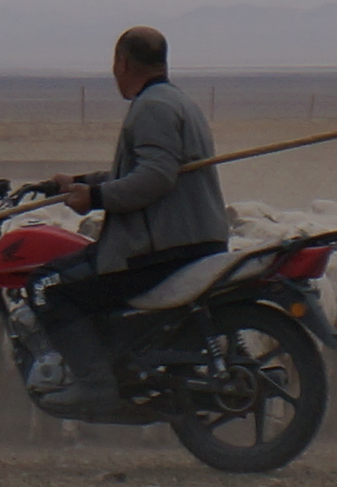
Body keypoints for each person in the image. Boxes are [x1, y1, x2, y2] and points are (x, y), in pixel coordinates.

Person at [25, 26, 230, 415]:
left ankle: (94, 384)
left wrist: (98, 198)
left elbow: (155, 176)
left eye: (115, 64)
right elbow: (143, 171)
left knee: (46, 287)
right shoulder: (180, 103)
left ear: (122, 62)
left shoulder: (151, 108)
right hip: (193, 239)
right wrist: (80, 183)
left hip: (161, 248)